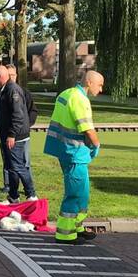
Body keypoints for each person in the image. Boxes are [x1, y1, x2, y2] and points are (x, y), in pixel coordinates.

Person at [44, 70, 104, 244]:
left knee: (82, 192)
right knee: (75, 193)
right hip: (74, 153)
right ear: (89, 83)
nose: (101, 89)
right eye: (99, 85)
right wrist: (97, 145)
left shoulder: (66, 93)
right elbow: (87, 129)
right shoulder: (80, 99)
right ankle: (65, 234)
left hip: (65, 150)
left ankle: (77, 227)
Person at [0, 65, 38, 205]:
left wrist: (12, 135)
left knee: (18, 166)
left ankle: (31, 195)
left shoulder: (13, 90)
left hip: (15, 138)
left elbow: (18, 115)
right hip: (5, 136)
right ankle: (13, 196)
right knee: (12, 167)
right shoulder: (1, 91)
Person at [6, 65, 38, 170]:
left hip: (22, 135)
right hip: (7, 135)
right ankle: (8, 185)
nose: (11, 78)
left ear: (16, 75)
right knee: (8, 163)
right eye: (8, 75)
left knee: (25, 163)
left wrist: (26, 125)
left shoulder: (23, 92)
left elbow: (33, 111)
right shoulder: (2, 93)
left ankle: (27, 186)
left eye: (13, 75)